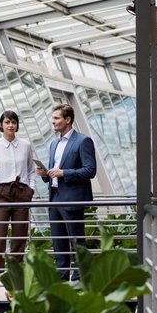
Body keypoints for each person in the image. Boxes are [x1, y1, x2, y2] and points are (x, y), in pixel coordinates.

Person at [36, 103, 96, 281]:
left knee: (77, 242)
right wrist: (45, 174)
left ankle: (79, 279)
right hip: (54, 198)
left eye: (56, 118)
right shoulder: (54, 143)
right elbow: (55, 173)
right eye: (53, 118)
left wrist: (64, 173)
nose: (52, 121)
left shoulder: (83, 141)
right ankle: (61, 278)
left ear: (68, 120)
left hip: (73, 199)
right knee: (58, 242)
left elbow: (90, 170)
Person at [0, 110, 37, 300]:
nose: (11, 125)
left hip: (21, 192)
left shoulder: (25, 146)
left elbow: (31, 170)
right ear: (1, 125)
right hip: (1, 193)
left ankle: (12, 286)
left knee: (18, 242)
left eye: (13, 122)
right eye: (7, 122)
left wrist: (30, 190)